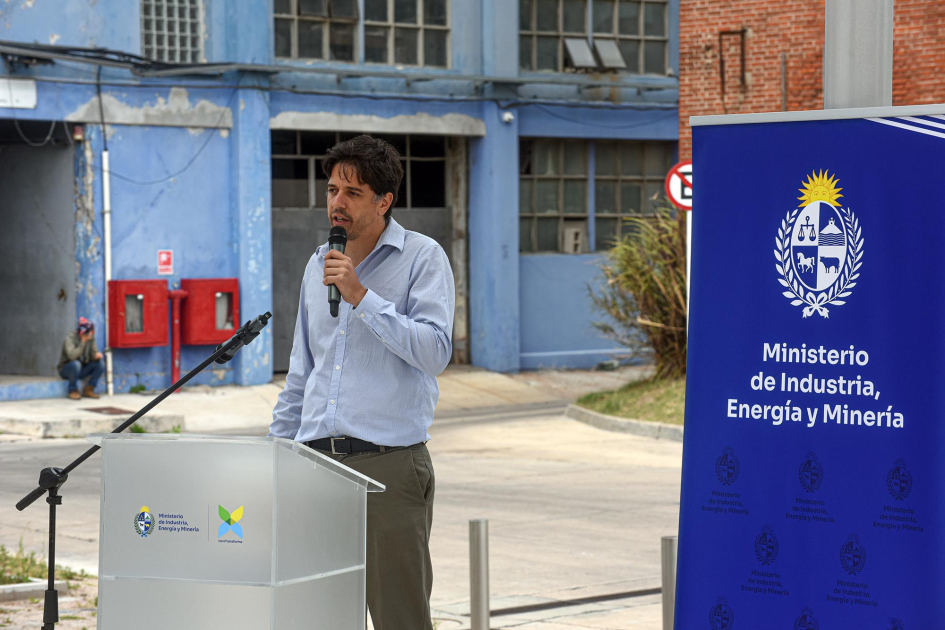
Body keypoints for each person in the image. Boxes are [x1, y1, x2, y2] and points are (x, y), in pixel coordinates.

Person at [269, 135, 455, 630]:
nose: (337, 203)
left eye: (351, 193)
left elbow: (435, 352)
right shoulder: (316, 263)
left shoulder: (423, 257)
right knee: (316, 615)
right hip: (315, 465)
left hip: (388, 465)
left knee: (400, 619)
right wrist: (276, 453)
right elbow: (302, 372)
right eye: (332, 190)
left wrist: (361, 295)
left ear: (384, 200)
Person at [59, 317, 104, 400]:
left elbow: (93, 353)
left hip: (82, 368)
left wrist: (96, 356)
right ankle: (72, 390)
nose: (91, 334)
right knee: (76, 364)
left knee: (100, 364)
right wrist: (83, 342)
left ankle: (89, 389)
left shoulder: (91, 338)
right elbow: (72, 356)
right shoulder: (70, 338)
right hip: (67, 369)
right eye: (90, 332)